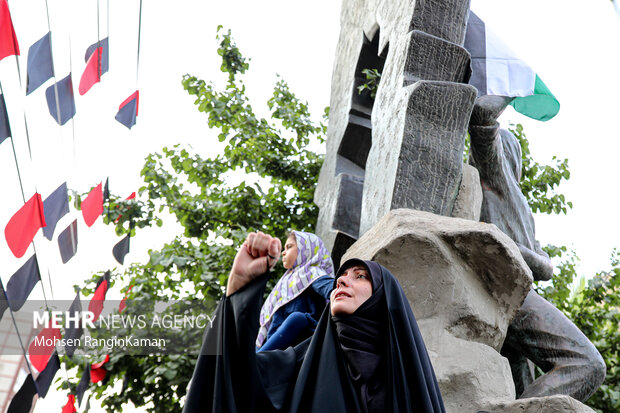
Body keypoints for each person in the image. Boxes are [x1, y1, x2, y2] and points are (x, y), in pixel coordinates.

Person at [183, 231, 445, 413]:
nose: (342, 281)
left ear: (383, 296)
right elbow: (236, 374)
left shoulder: (408, 374)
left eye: (361, 276)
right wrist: (238, 296)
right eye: (342, 276)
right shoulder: (301, 361)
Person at [468, 95, 606, 401]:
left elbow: (545, 266)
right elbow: (481, 119)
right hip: (505, 291)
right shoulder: (489, 179)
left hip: (520, 293)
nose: (508, 158)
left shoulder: (521, 208)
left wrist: (525, 254)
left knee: (520, 390)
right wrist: (512, 86)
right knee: (587, 365)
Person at [256, 231, 334, 351]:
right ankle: (258, 357)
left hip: (303, 332)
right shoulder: (283, 283)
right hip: (277, 339)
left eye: (289, 247)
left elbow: (332, 289)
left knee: (296, 318)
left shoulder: (312, 273)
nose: (283, 252)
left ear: (306, 249)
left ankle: (258, 360)